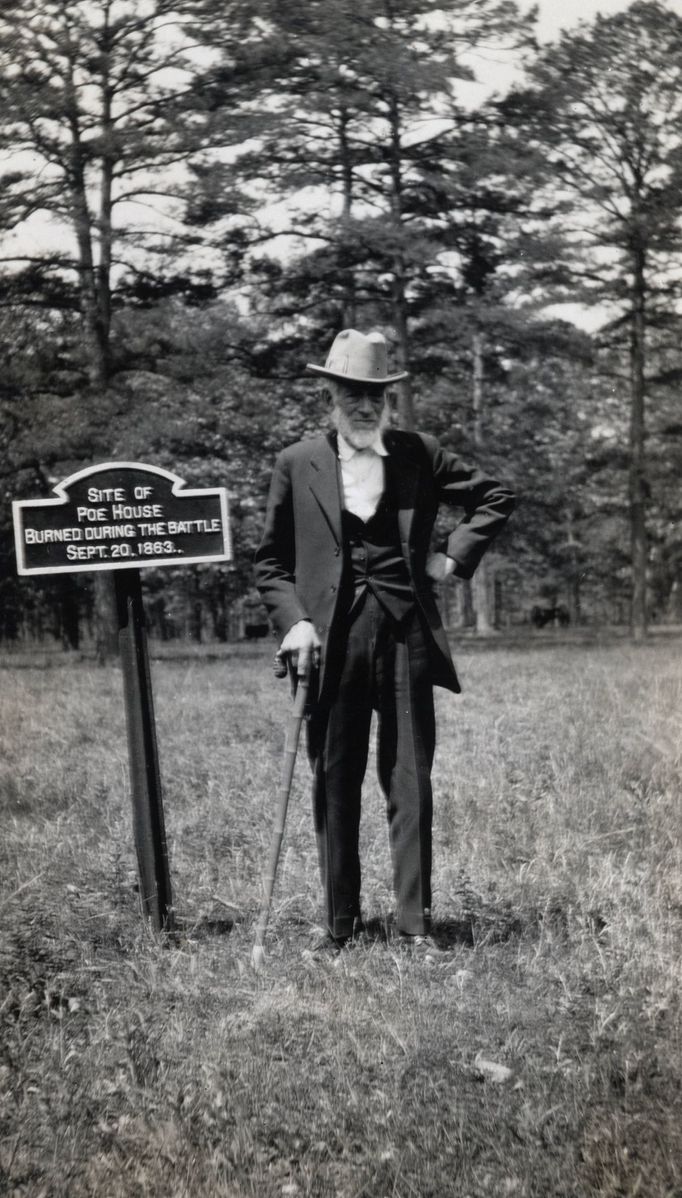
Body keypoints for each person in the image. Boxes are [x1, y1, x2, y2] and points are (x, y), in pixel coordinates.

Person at [254, 329, 515, 957]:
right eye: (351, 392)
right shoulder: (297, 462)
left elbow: (496, 494)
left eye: (375, 393)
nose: (363, 404)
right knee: (334, 779)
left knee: (410, 781)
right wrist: (294, 622)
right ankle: (339, 924)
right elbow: (270, 563)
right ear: (331, 393)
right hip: (330, 642)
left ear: (388, 399)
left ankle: (414, 923)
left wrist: (451, 559)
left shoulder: (419, 454)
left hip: (405, 638)